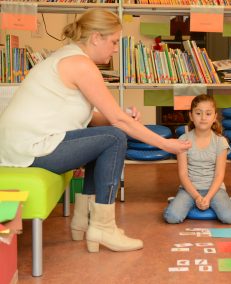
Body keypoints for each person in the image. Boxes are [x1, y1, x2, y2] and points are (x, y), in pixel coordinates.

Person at [0, 9, 191, 253]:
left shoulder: (70, 58)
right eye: (113, 42)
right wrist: (167, 145)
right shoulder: (80, 64)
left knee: (105, 137)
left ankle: (83, 220)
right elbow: (117, 124)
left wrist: (123, 117)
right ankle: (103, 227)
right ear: (95, 38)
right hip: (28, 150)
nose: (114, 49)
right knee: (114, 137)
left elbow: (96, 120)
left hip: (24, 146)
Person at [163, 94, 231, 224]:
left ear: (215, 117)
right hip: (189, 190)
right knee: (171, 217)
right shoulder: (183, 140)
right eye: (198, 113)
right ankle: (175, 201)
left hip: (215, 190)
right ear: (191, 116)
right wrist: (197, 197)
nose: (203, 118)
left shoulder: (220, 142)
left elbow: (219, 175)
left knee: (230, 218)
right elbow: (183, 174)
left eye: (208, 114)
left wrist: (208, 197)